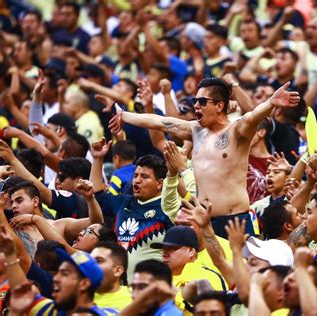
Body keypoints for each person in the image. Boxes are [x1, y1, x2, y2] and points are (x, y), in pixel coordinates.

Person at [108, 77, 300, 237]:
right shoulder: (195, 130)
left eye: (202, 102)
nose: (196, 106)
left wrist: (271, 103)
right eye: (195, 101)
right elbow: (160, 122)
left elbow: (252, 116)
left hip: (235, 221)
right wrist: (123, 115)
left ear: (219, 106)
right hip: (203, 220)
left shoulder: (237, 130)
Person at [91, 146, 174, 280]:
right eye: (135, 176)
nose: (137, 180)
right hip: (120, 286)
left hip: (151, 286)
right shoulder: (123, 202)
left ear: (160, 184)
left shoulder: (169, 209)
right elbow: (97, 194)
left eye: (144, 176)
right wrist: (97, 158)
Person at [0, 225, 117, 316]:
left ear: (84, 284)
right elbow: (20, 292)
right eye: (59, 272)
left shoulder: (108, 314)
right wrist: (9, 253)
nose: (57, 279)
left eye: (65, 274)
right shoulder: (50, 310)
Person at [91, 241, 132, 311]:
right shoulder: (76, 297)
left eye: (99, 261)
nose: (90, 266)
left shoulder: (136, 297)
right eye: (90, 261)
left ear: (118, 270)